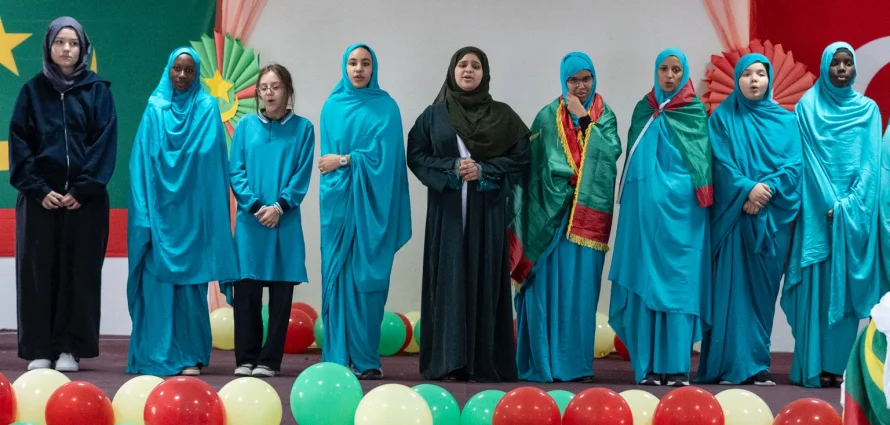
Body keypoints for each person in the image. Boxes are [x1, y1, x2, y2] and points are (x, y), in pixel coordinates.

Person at [408, 46, 530, 382]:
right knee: (448, 278)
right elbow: (416, 156)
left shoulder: (503, 116)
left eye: (476, 66)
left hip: (486, 213)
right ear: (452, 71)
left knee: (483, 278)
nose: (468, 70)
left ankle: (482, 362)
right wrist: (450, 167)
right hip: (447, 214)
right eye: (462, 64)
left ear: (484, 73)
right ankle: (448, 361)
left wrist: (485, 170)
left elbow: (522, 158)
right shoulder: (434, 116)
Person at [8, 16, 117, 372]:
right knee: (39, 273)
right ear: (49, 47)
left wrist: (82, 189)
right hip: (40, 202)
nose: (66, 49)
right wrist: (40, 189)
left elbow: (104, 145)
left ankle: (71, 348)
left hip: (84, 203)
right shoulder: (31, 92)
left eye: (73, 43)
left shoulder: (98, 90)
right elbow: (20, 144)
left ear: (83, 48)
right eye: (60, 42)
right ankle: (40, 349)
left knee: (80, 274)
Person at [510, 52, 621, 383]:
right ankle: (541, 363)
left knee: (579, 293)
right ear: (563, 80)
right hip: (549, 220)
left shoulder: (605, 115)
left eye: (586, 78)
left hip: (584, 222)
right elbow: (532, 168)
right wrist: (558, 181)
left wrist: (584, 117)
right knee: (544, 289)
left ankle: (574, 366)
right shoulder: (546, 117)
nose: (581, 86)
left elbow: (609, 153)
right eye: (574, 80)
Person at [127, 47, 239, 376]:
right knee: (158, 290)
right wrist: (145, 216)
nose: (182, 75)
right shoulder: (154, 109)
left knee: (191, 292)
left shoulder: (206, 109)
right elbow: (139, 166)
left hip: (192, 219)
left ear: (197, 74)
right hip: (159, 220)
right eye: (177, 68)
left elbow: (215, 165)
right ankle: (156, 355)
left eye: (189, 70)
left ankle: (190, 355)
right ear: (168, 70)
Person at [784, 42, 888, 388]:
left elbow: (871, 166)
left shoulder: (869, 111)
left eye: (847, 63)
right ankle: (812, 365)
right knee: (814, 290)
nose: (841, 69)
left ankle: (837, 367)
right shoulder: (807, 108)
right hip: (816, 216)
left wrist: (848, 207)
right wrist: (829, 204)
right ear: (825, 67)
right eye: (835, 64)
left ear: (854, 68)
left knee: (843, 296)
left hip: (852, 218)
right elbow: (805, 163)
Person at [608, 48, 712, 387]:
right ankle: (649, 366)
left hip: (684, 221)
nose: (670, 75)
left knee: (680, 287)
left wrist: (669, 190)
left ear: (684, 73)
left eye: (676, 69)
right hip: (646, 219)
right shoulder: (644, 110)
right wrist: (651, 196)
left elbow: (701, 169)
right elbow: (635, 170)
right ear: (656, 71)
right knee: (646, 283)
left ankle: (678, 366)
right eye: (664, 69)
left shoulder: (694, 111)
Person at [697, 53, 802, 386]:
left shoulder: (786, 122)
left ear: (769, 79)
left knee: (760, 297)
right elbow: (719, 164)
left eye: (760, 74)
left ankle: (756, 365)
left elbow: (794, 168)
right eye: (747, 74)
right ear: (737, 80)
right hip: (733, 220)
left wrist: (764, 190)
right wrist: (746, 190)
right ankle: (727, 365)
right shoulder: (722, 119)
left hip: (770, 222)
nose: (754, 80)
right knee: (729, 293)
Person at [318, 44, 411, 380]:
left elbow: (387, 163)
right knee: (337, 278)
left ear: (374, 68)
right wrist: (339, 164)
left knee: (369, 283)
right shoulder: (332, 106)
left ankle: (366, 359)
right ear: (345, 66)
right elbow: (324, 165)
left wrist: (346, 159)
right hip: (338, 208)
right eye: (353, 63)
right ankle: (337, 357)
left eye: (366, 63)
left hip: (373, 208)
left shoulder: (386, 108)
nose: (359, 69)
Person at [226, 64, 314, 378]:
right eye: (264, 87)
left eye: (275, 87)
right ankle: (246, 358)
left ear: (288, 91)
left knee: (280, 296)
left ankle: (269, 360)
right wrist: (254, 205)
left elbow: (301, 175)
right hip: (251, 223)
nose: (269, 93)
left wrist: (279, 207)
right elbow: (235, 170)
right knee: (247, 292)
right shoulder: (246, 126)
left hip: (284, 222)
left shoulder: (304, 129)